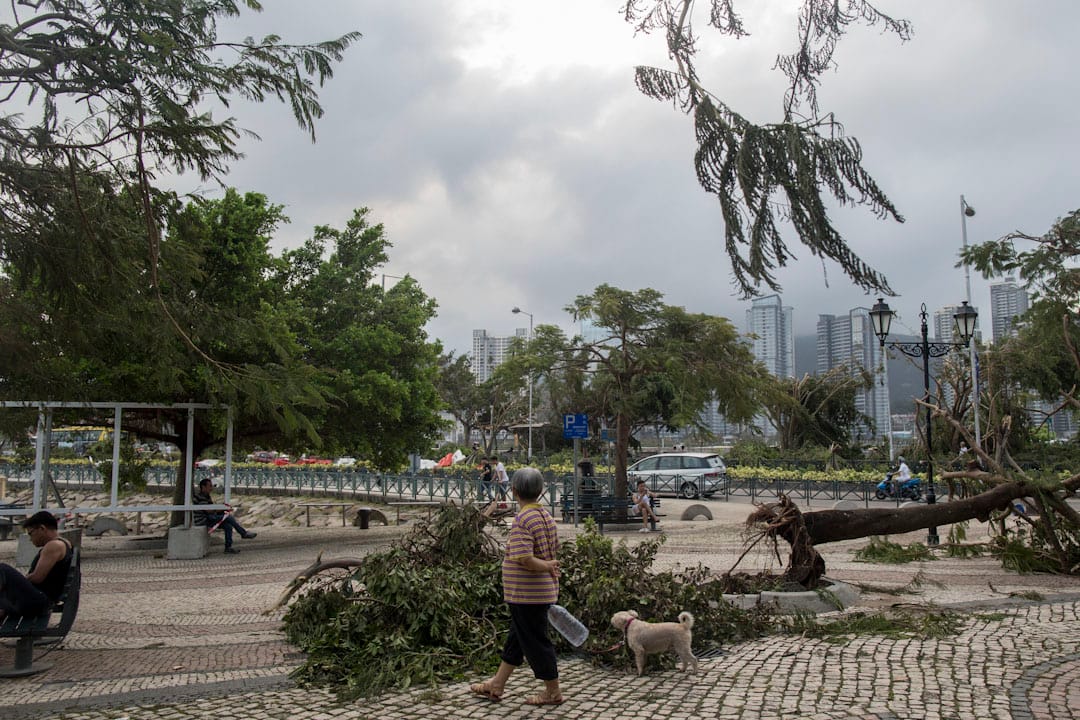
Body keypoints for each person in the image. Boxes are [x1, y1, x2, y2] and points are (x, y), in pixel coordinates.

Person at [470, 467, 564, 706]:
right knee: (517, 638)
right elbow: (552, 550)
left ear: (513, 491)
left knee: (535, 641)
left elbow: (525, 558)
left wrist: (545, 565)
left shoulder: (523, 519)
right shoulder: (546, 517)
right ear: (541, 492)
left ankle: (552, 691)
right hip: (539, 592)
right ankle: (497, 684)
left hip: (527, 594)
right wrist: (549, 565)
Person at [0, 511, 73, 621]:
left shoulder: (53, 546)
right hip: (44, 599)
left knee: (3, 569)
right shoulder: (64, 542)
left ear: (42, 529)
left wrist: (22, 579)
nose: (30, 539)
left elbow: (37, 578)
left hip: (40, 601)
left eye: (31, 533)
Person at [193, 478, 256, 554]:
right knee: (228, 517)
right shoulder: (200, 497)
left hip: (209, 518)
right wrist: (220, 509)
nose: (211, 488)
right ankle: (243, 533)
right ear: (203, 487)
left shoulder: (207, 497)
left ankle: (228, 547)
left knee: (228, 526)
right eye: (209, 486)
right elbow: (208, 510)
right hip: (203, 520)